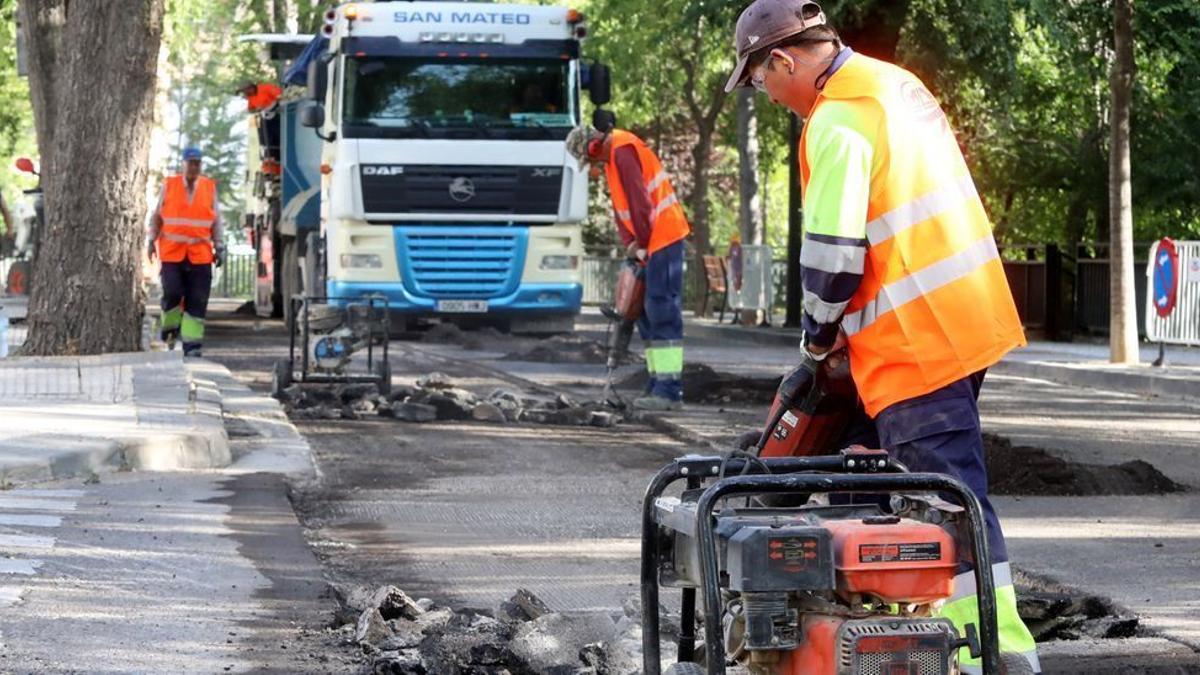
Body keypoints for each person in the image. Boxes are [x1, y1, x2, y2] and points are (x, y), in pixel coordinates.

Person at [726, 1, 1039, 673]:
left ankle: (998, 648)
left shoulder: (837, 120)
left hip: (914, 340)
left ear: (780, 61)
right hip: (960, 315)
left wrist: (814, 343)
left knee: (946, 495)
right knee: (863, 478)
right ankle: (880, 632)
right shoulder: (893, 84)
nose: (768, 96)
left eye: (758, 81)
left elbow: (834, 256)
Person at [567, 126, 690, 411]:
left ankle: (670, 391)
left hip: (663, 239)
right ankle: (657, 382)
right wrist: (631, 244)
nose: (595, 167)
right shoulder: (614, 157)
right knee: (645, 315)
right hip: (650, 243)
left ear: (594, 146)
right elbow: (622, 209)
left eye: (592, 160)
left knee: (662, 311)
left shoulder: (622, 151)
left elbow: (639, 201)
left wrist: (642, 243)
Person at [146, 147, 225, 358]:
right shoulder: (169, 186)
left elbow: (217, 221)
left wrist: (220, 246)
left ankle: (192, 346)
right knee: (172, 292)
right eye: (190, 163)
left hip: (200, 255)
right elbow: (157, 216)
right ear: (183, 165)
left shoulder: (209, 188)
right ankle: (170, 332)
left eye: (197, 163)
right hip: (172, 253)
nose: (194, 166)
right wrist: (151, 240)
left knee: (197, 300)